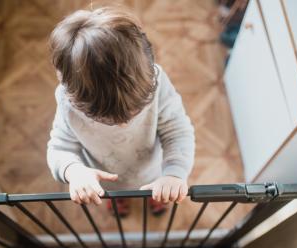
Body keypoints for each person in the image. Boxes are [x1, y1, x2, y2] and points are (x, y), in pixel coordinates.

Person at [47, 6, 195, 217]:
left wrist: (174, 174)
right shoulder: (66, 102)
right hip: (106, 178)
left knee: (160, 191)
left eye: (135, 111)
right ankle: (120, 199)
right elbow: (59, 148)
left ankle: (156, 197)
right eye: (107, 119)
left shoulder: (158, 81)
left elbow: (178, 131)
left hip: (154, 173)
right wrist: (74, 171)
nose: (124, 125)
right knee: (115, 193)